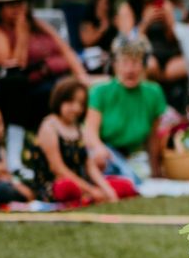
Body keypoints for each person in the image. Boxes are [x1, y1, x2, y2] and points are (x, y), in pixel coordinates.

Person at [0, 0, 86, 132]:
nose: (17, 9)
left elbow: (65, 49)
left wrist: (82, 76)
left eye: (20, 3)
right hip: (30, 87)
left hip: (60, 76)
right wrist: (21, 34)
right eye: (11, 5)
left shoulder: (37, 24)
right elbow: (16, 68)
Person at [28, 77, 137, 206]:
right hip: (57, 185)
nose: (76, 108)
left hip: (82, 183)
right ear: (60, 99)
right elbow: (58, 169)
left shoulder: (79, 128)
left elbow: (89, 165)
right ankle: (88, 196)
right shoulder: (49, 126)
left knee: (126, 186)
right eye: (71, 102)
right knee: (67, 188)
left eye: (80, 103)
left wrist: (108, 190)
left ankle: (89, 196)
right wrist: (91, 190)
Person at [85, 36, 167, 182]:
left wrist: (156, 171)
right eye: (124, 63)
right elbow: (90, 132)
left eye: (135, 63)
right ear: (115, 65)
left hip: (133, 155)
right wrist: (99, 148)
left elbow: (153, 138)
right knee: (105, 164)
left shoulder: (154, 92)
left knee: (139, 178)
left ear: (144, 65)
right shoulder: (100, 91)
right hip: (105, 153)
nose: (130, 70)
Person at [116, 0, 188, 87]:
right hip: (142, 56)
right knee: (151, 65)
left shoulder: (164, 4)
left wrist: (167, 23)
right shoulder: (127, 8)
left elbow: (174, 39)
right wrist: (146, 21)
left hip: (168, 56)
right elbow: (129, 42)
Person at [79, 0, 118, 72]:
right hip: (93, 57)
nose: (106, 7)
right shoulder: (88, 15)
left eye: (108, 2)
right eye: (105, 2)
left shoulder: (112, 15)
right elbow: (87, 41)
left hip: (110, 55)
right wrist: (101, 29)